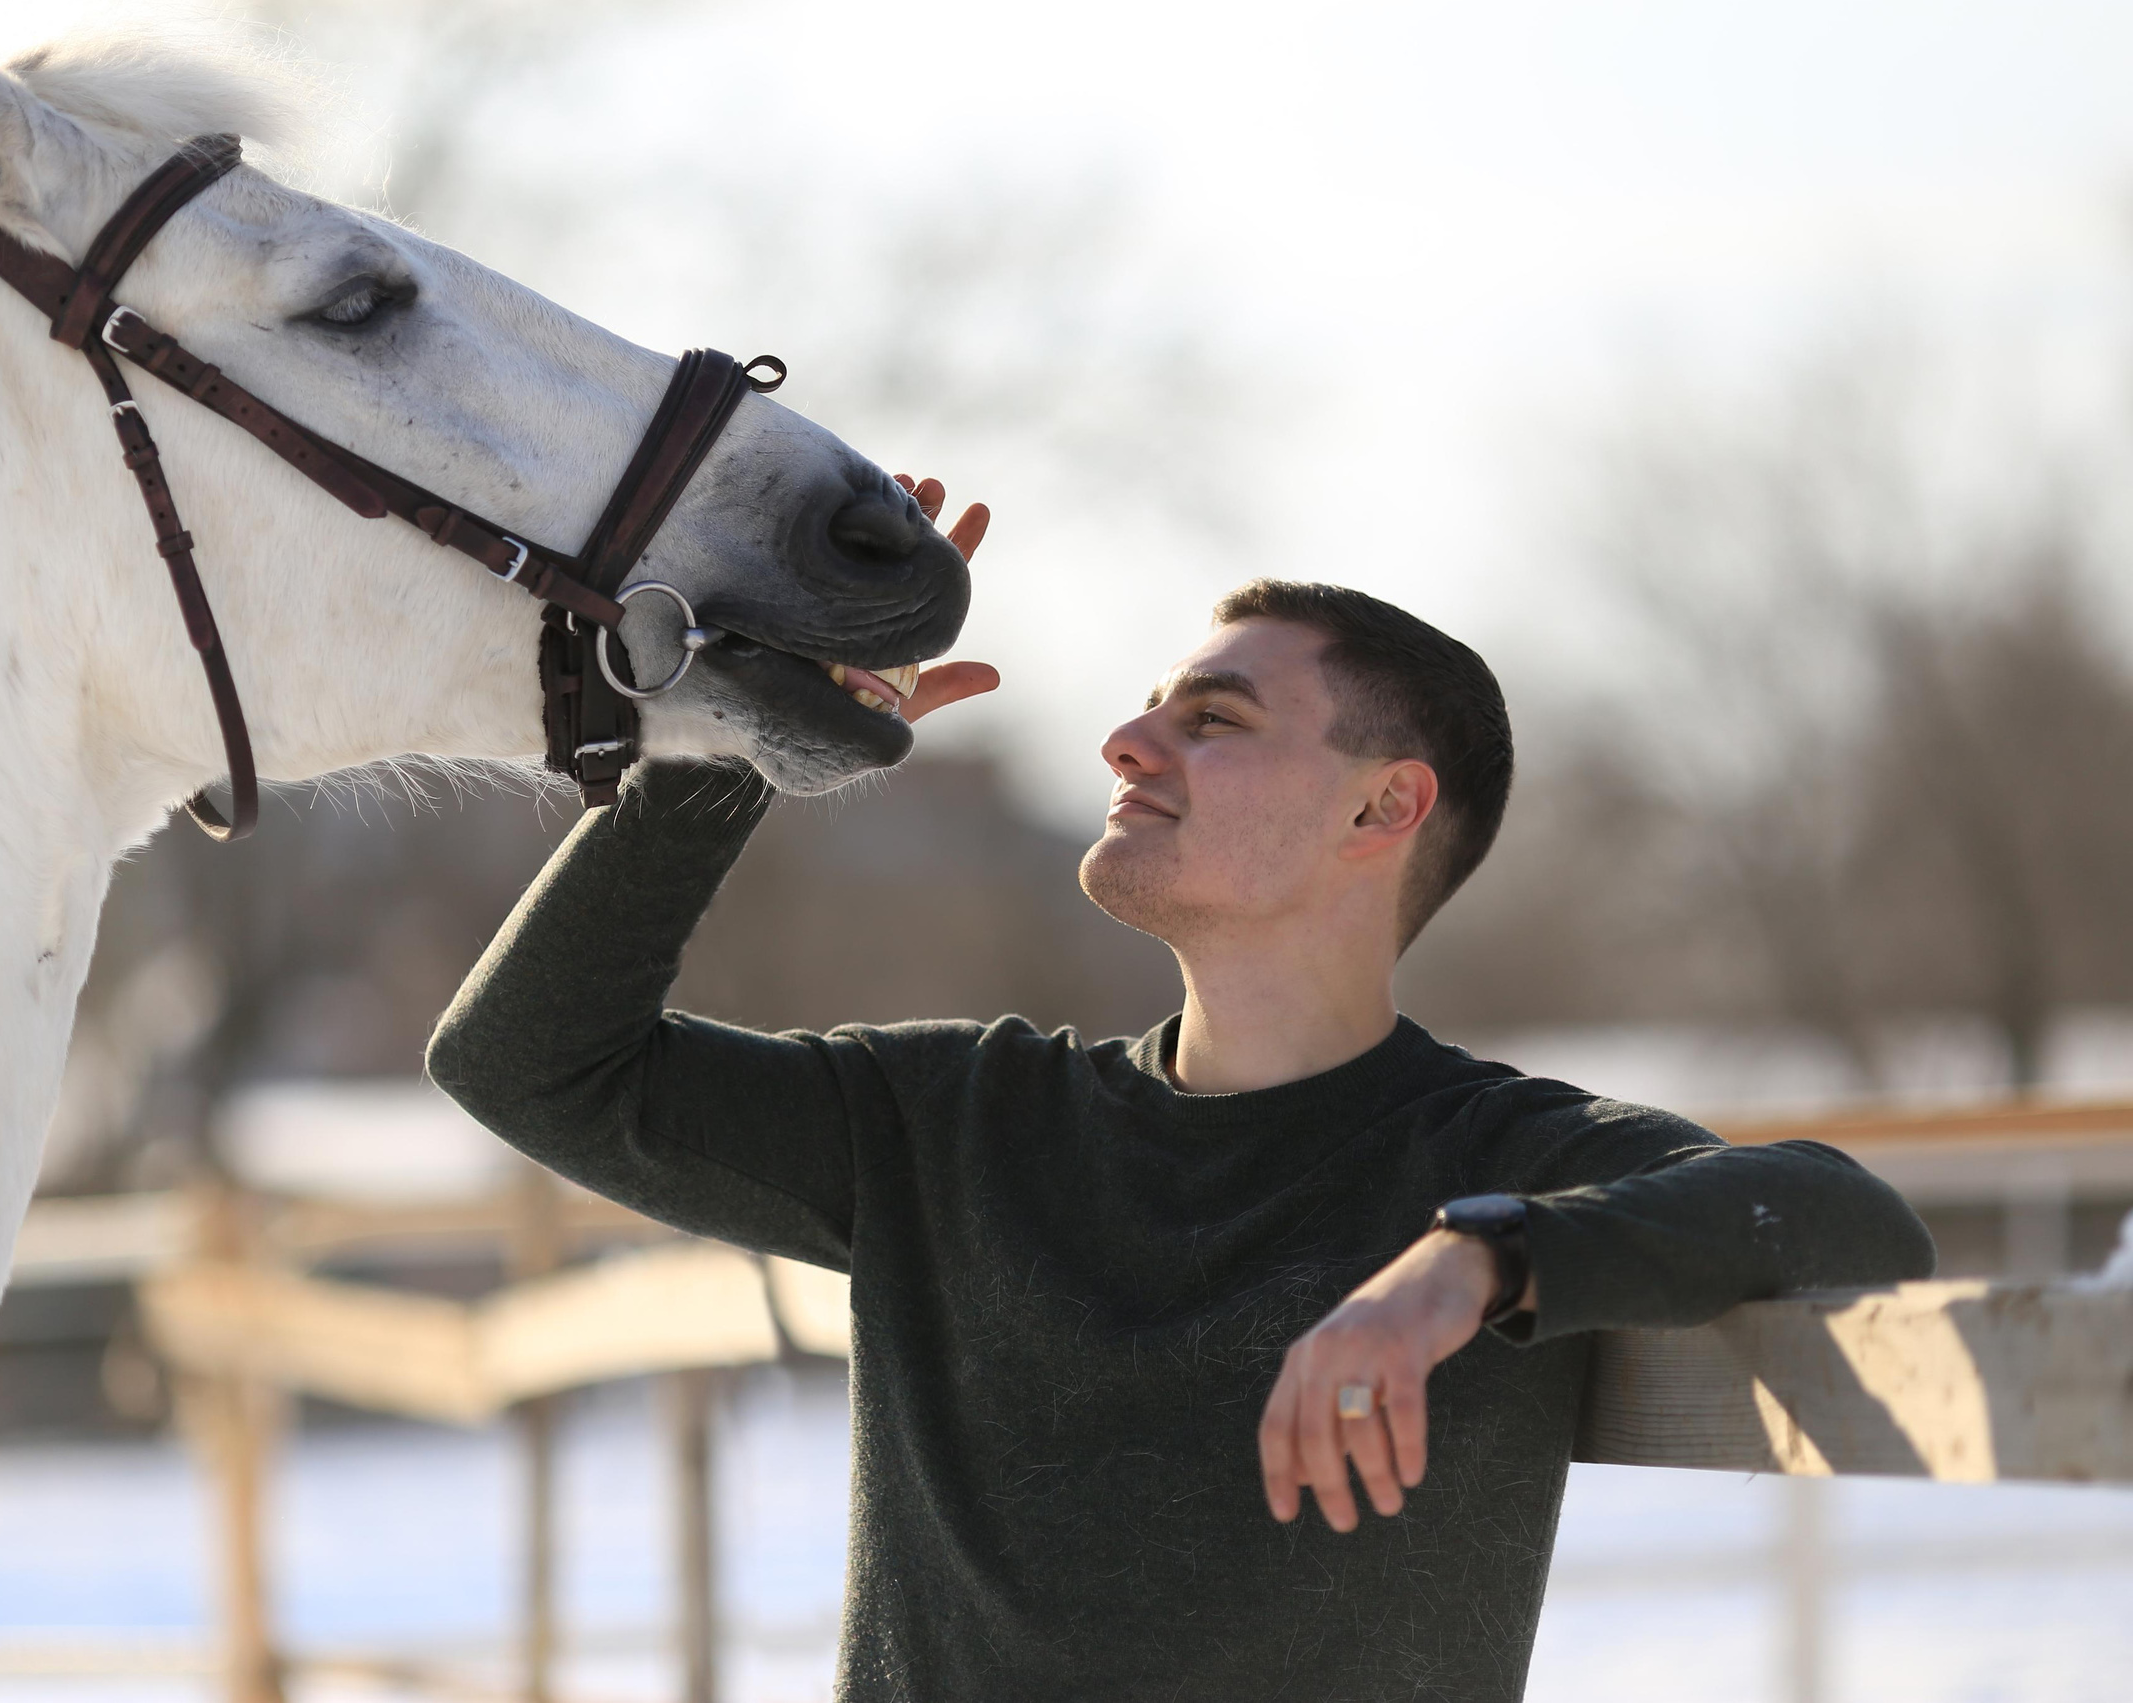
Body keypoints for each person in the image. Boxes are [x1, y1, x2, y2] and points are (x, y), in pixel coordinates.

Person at [426, 481, 1935, 1702]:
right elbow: (527, 1063)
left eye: (1213, 720)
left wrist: (1474, 1265)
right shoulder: (953, 1121)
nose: (1127, 741)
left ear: (1383, 806)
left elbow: (1846, 1217)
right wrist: (752, 733)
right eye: (1154, 708)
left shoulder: (1502, 1159)